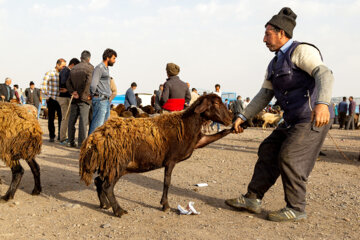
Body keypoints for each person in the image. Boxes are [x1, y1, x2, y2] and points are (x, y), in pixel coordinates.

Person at [225, 7, 334, 222]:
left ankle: (296, 208)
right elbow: (264, 94)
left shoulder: (301, 51)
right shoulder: (274, 63)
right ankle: (252, 198)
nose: (264, 39)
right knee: (268, 149)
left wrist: (322, 104)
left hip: (311, 116)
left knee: (290, 156)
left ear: (281, 33)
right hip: (292, 118)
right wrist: (244, 116)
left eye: (267, 33)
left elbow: (325, 74)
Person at [66, 50, 94, 148]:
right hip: (84, 99)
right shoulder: (90, 68)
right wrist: (83, 95)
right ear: (89, 58)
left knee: (72, 120)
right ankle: (81, 143)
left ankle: (70, 141)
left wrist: (73, 92)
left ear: (81, 57)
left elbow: (68, 82)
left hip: (74, 98)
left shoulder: (74, 68)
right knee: (83, 121)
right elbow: (88, 83)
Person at [89, 48, 117, 134]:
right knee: (97, 126)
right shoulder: (99, 68)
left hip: (105, 100)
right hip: (100, 100)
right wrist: (94, 95)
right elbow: (93, 84)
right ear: (107, 58)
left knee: (103, 126)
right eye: (113, 58)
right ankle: (89, 146)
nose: (114, 61)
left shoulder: (106, 69)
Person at [41, 59, 66, 142]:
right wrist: (48, 96)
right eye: (62, 66)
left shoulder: (63, 74)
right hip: (52, 99)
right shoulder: (50, 73)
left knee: (61, 118)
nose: (63, 67)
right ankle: (52, 136)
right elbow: (43, 86)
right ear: (57, 65)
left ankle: (60, 136)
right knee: (51, 119)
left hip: (60, 99)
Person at [58, 58, 80, 145]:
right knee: (65, 118)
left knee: (66, 118)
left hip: (66, 97)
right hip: (64, 98)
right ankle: (63, 138)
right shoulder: (66, 71)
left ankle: (64, 137)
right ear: (73, 64)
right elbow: (63, 82)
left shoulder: (66, 71)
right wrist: (69, 89)